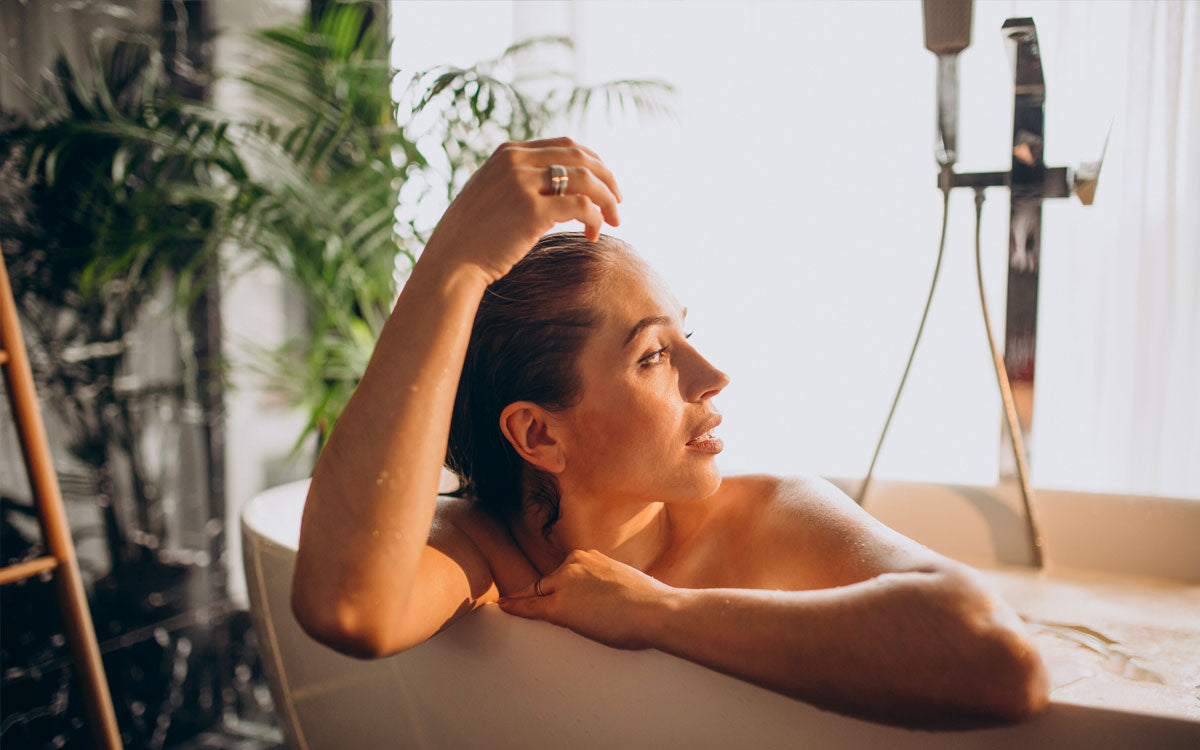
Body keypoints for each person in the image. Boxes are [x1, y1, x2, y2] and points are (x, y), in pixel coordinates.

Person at [290, 137, 1049, 726]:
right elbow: (349, 609)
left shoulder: (767, 518)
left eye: (687, 336)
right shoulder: (482, 552)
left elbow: (999, 656)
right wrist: (454, 261)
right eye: (654, 354)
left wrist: (653, 612)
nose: (713, 374)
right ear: (538, 437)